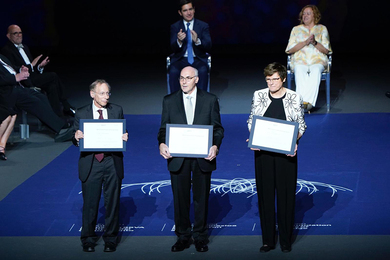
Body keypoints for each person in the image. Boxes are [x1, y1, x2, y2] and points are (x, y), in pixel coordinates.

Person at [158, 66, 224, 252]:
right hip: (178, 157)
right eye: (181, 78)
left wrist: (215, 146)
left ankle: (201, 236)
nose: (183, 81)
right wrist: (162, 144)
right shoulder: (169, 101)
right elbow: (163, 129)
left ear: (197, 79)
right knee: (180, 199)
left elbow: (218, 129)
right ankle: (183, 236)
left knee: (201, 198)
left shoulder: (210, 100)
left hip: (202, 157)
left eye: (188, 78)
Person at [247, 63, 307, 253]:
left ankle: (286, 241)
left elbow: (301, 125)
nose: (271, 83)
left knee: (286, 197)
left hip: (286, 155)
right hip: (263, 153)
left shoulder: (294, 97)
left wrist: (295, 141)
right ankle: (268, 241)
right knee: (265, 196)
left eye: (275, 79)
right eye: (268, 79)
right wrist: (253, 137)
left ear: (282, 79)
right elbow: (251, 119)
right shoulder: (259, 95)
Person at [72, 79, 128, 253]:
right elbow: (75, 140)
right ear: (92, 94)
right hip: (91, 162)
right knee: (90, 203)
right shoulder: (81, 113)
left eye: (108, 93)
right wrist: (76, 137)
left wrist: (124, 137)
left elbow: (121, 132)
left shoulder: (116, 110)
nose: (106, 97)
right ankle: (88, 239)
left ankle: (110, 239)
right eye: (102, 93)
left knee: (112, 202)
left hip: (112, 161)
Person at [1, 24, 75, 117]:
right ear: (8, 36)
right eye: (15, 33)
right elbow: (13, 69)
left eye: (20, 33)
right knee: (53, 75)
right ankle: (66, 106)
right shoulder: (6, 51)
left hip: (33, 76)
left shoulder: (25, 47)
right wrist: (31, 65)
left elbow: (32, 69)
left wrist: (39, 66)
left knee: (52, 86)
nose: (19, 35)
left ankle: (57, 117)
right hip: (24, 81)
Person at [0, 53, 73, 142]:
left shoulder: (1, 57)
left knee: (41, 97)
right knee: (34, 101)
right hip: (5, 93)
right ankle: (61, 129)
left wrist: (21, 69)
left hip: (16, 87)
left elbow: (11, 68)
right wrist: (14, 78)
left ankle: (55, 125)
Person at [285, 5, 332, 111]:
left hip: (317, 59)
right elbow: (290, 50)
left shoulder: (322, 29)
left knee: (316, 70)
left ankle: (306, 103)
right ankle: (302, 103)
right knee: (299, 70)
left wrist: (314, 42)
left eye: (308, 13)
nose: (305, 15)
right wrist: (305, 42)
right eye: (304, 13)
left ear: (314, 15)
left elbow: (326, 50)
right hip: (300, 60)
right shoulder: (296, 30)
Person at [168, 0, 212, 93]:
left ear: (194, 10)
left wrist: (197, 40)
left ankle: (202, 101)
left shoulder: (203, 26)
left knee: (203, 70)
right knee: (173, 71)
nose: (189, 13)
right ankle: (175, 102)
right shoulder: (175, 27)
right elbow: (172, 47)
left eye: (190, 9)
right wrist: (179, 41)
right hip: (181, 59)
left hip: (197, 59)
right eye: (185, 10)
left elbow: (208, 45)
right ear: (180, 13)